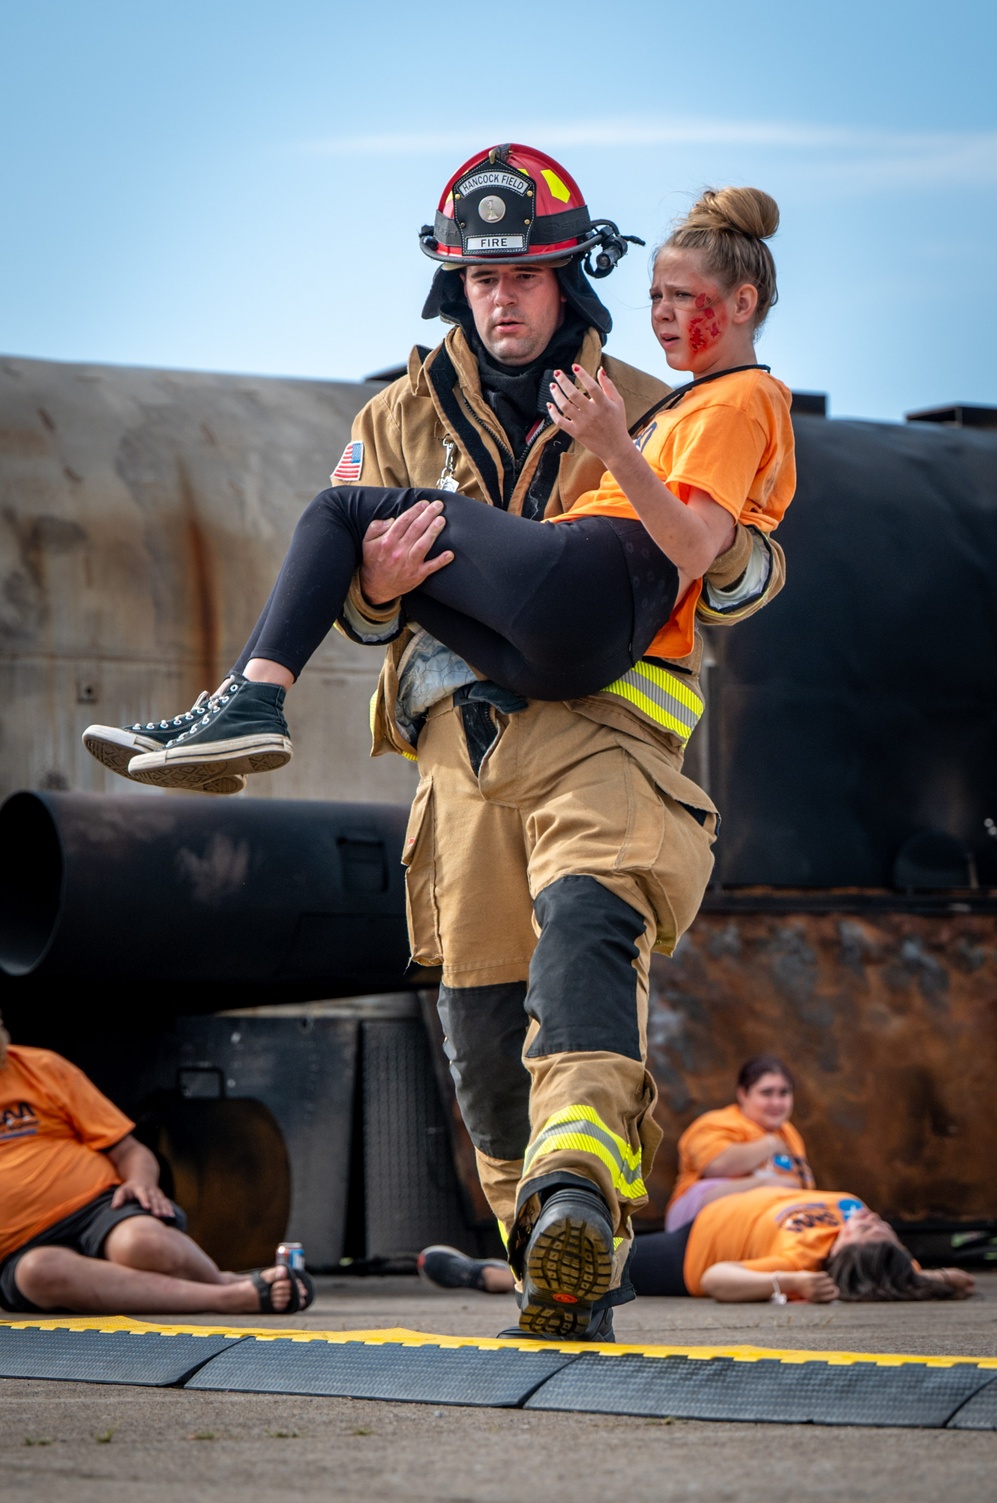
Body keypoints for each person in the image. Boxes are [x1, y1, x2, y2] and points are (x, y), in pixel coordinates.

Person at [83, 145, 788, 1343]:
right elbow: (359, 603)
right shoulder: (393, 418)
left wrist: (680, 516)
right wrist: (374, 584)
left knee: (587, 938)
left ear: (570, 281)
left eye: (522, 279)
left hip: (606, 734)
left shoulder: (656, 395)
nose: (500, 300)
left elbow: (735, 574)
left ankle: (576, 1198)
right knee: (478, 1022)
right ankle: (550, 1260)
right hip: (458, 760)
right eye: (476, 281)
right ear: (450, 287)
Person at [0, 1014, 313, 1316]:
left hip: (97, 1208)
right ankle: (230, 1297)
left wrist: (141, 1183)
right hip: (17, 1246)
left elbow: (130, 1151)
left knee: (143, 1244)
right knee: (39, 1273)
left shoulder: (42, 1068)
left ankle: (227, 1282)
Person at [628, 1185, 975, 1303]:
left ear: (843, 1252)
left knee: (603, 1260)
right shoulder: (889, 1260)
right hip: (722, 1211)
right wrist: (933, 1279)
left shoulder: (804, 1261)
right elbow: (960, 1279)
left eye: (868, 1230)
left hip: (692, 1248)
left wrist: (790, 1282)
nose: (874, 1219)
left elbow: (715, 1278)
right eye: (884, 1228)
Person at [667, 1055, 814, 1231]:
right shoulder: (715, 1123)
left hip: (764, 1219)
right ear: (743, 1094)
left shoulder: (789, 1133)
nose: (776, 1102)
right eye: (766, 1093)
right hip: (695, 1215)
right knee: (781, 1185)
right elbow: (717, 1166)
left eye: (784, 1093)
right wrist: (771, 1144)